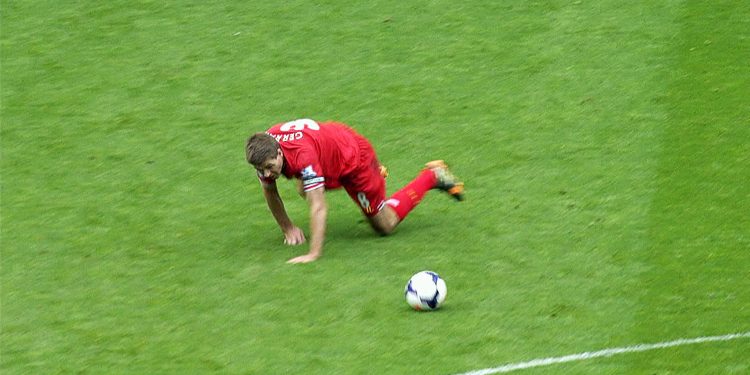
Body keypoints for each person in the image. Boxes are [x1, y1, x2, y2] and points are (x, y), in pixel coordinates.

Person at [245, 118, 464, 264]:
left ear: (280, 153)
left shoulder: (304, 157)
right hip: (334, 145)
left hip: (354, 161)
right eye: (260, 169)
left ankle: (432, 176)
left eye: (269, 167)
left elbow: (319, 207)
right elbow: (270, 191)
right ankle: (375, 175)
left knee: (384, 225)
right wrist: (288, 228)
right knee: (306, 185)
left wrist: (313, 253)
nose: (266, 173)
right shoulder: (265, 148)